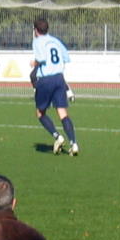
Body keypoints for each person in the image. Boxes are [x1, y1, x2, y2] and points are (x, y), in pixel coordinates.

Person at [31, 19, 78, 156]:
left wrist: (33, 63)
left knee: (40, 113)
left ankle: (58, 137)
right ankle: (73, 144)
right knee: (62, 113)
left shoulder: (37, 41)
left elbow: (40, 58)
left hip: (46, 79)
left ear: (36, 30)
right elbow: (66, 57)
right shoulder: (55, 41)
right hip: (59, 78)